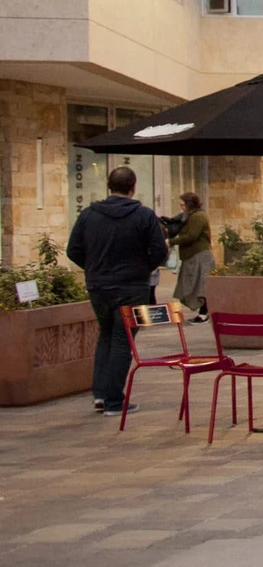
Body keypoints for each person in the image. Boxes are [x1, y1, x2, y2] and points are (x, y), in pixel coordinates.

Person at [66, 166, 167, 416]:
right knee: (124, 339)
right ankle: (113, 399)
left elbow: (73, 250)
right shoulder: (144, 215)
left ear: (109, 186)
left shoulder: (89, 214)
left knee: (106, 335)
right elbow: (160, 251)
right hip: (132, 287)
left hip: (98, 286)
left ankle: (100, 394)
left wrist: (94, 268)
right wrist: (143, 268)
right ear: (133, 188)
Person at [167, 192, 213, 323]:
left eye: (183, 204)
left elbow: (192, 236)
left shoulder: (198, 216)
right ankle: (203, 312)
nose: (181, 207)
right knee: (193, 284)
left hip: (199, 255)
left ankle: (204, 313)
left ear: (189, 204)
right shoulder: (191, 216)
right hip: (193, 255)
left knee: (200, 285)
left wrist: (171, 242)